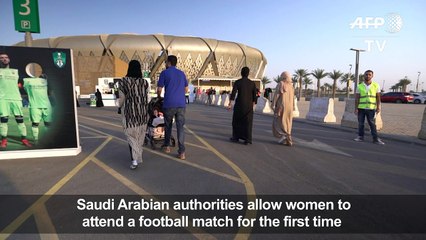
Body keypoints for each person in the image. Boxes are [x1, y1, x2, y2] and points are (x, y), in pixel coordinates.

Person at [117, 60, 150, 169]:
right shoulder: (145, 83)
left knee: (131, 137)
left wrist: (118, 105)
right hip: (142, 114)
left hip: (130, 115)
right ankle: (137, 156)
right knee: (140, 137)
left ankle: (134, 160)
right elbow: (147, 98)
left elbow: (121, 99)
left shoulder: (123, 82)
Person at [156, 55, 188, 160]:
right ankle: (182, 152)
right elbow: (186, 89)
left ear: (169, 63)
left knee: (168, 125)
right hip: (181, 104)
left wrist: (159, 97)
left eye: (166, 62)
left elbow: (159, 89)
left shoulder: (164, 73)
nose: (165, 64)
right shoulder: (182, 73)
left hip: (169, 104)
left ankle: (167, 146)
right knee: (180, 128)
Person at [0, 52, 32, 148]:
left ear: (9, 59)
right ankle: (4, 140)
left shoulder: (16, 71)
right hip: (2, 99)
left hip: (16, 99)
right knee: (3, 120)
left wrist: (19, 86)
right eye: (1, 58)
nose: (4, 59)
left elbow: (21, 84)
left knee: (20, 120)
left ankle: (24, 139)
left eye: (6, 57)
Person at [227, 66, 257, 145]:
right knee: (248, 123)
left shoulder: (238, 82)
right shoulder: (252, 83)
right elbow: (255, 96)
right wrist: (253, 106)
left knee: (236, 121)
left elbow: (233, 94)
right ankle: (247, 139)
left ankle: (236, 137)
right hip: (249, 106)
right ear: (248, 74)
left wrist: (230, 104)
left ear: (241, 73)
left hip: (239, 105)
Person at [354, 70, 385, 145]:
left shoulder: (376, 85)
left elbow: (378, 97)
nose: (368, 76)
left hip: (371, 108)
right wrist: (356, 108)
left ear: (372, 76)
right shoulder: (359, 86)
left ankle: (375, 139)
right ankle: (360, 137)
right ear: (364, 76)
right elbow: (357, 98)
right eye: (366, 74)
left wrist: (378, 107)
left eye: (369, 75)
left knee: (372, 124)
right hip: (361, 108)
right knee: (361, 123)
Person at [23, 74, 53, 145]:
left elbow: (50, 92)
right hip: (35, 106)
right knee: (35, 124)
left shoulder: (46, 83)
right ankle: (36, 140)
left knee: (47, 124)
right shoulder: (29, 82)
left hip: (46, 106)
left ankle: (46, 139)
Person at [272, 71, 294, 146]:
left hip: (281, 107)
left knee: (278, 122)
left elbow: (276, 95)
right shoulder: (291, 86)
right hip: (290, 108)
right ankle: (287, 140)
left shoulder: (281, 84)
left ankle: (284, 136)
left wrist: (273, 104)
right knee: (288, 123)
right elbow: (292, 98)